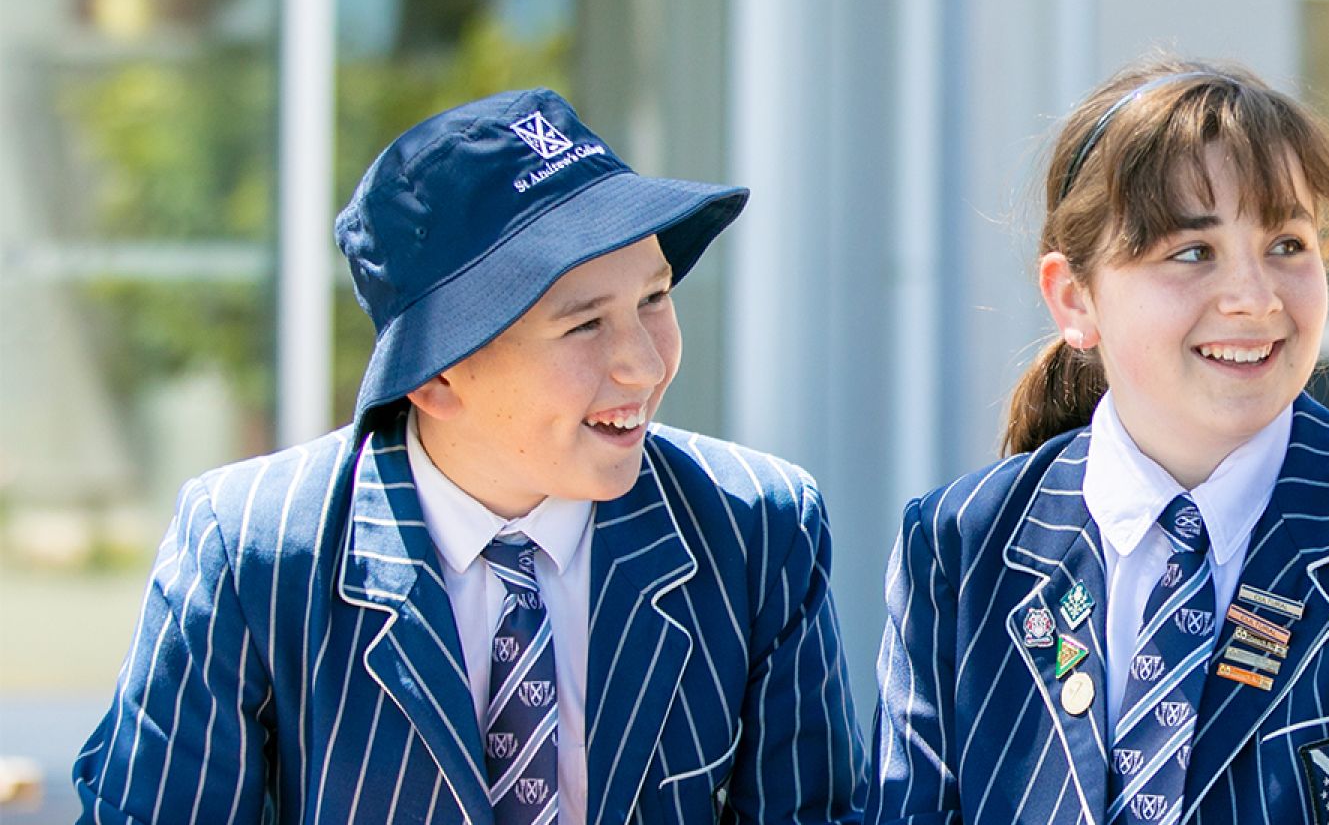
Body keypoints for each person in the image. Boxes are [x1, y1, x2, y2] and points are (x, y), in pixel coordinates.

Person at [74, 89, 866, 824]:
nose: (645, 364)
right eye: (584, 324)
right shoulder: (253, 550)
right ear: (438, 377)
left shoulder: (755, 528)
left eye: (653, 299)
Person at [866, 59, 1329, 824]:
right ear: (1073, 297)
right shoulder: (961, 545)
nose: (1254, 298)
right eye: (1193, 253)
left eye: (1288, 244)